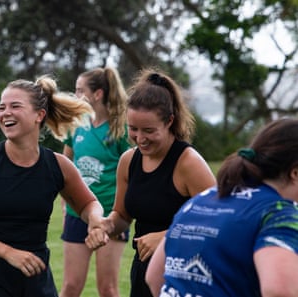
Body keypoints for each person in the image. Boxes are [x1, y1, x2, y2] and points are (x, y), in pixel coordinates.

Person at [0, 75, 109, 297]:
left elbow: (89, 204)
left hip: (35, 275)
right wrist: (8, 252)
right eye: (2, 107)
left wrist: (96, 221)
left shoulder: (58, 165)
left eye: (15, 106)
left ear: (39, 115)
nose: (5, 113)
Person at [86, 68, 216, 297]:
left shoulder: (188, 163)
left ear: (169, 122)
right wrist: (105, 226)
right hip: (144, 271)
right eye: (133, 129)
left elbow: (219, 223)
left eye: (149, 130)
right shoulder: (128, 161)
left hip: (186, 274)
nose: (140, 138)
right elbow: (122, 215)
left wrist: (168, 237)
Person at [146, 118, 298, 297]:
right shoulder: (277, 212)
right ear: (295, 173)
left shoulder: (204, 198)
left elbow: (154, 277)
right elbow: (279, 291)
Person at [60, 67, 130, 297]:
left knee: (107, 289)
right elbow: (65, 165)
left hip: (110, 216)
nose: (76, 95)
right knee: (70, 287)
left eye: (80, 90)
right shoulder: (77, 124)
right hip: (77, 213)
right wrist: (65, 205)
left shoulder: (121, 129)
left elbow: (132, 173)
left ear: (97, 94)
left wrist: (121, 217)